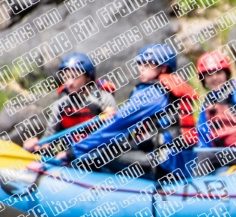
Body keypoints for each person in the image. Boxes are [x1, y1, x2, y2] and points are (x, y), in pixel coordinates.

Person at [62, 44, 199, 181]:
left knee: (94, 154)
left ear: (162, 68)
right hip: (176, 163)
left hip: (164, 165)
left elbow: (118, 125)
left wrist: (75, 150)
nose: (141, 68)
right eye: (140, 63)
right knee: (114, 147)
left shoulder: (153, 94)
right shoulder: (166, 90)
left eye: (147, 64)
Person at [23, 53, 117, 152]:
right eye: (66, 77)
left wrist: (111, 120)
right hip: (70, 158)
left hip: (99, 153)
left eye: (75, 77)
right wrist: (35, 147)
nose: (70, 83)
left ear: (88, 77)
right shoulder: (61, 105)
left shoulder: (103, 99)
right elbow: (48, 139)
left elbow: (115, 134)